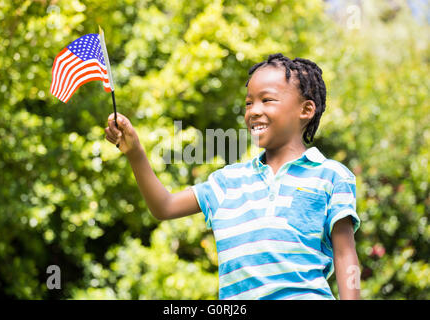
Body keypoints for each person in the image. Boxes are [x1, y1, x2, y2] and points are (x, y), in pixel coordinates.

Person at [104, 53, 361, 300]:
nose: (253, 111)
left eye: (267, 100)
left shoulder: (331, 175)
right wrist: (135, 152)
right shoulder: (227, 181)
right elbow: (165, 206)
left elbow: (345, 256)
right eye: (249, 103)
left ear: (305, 110)